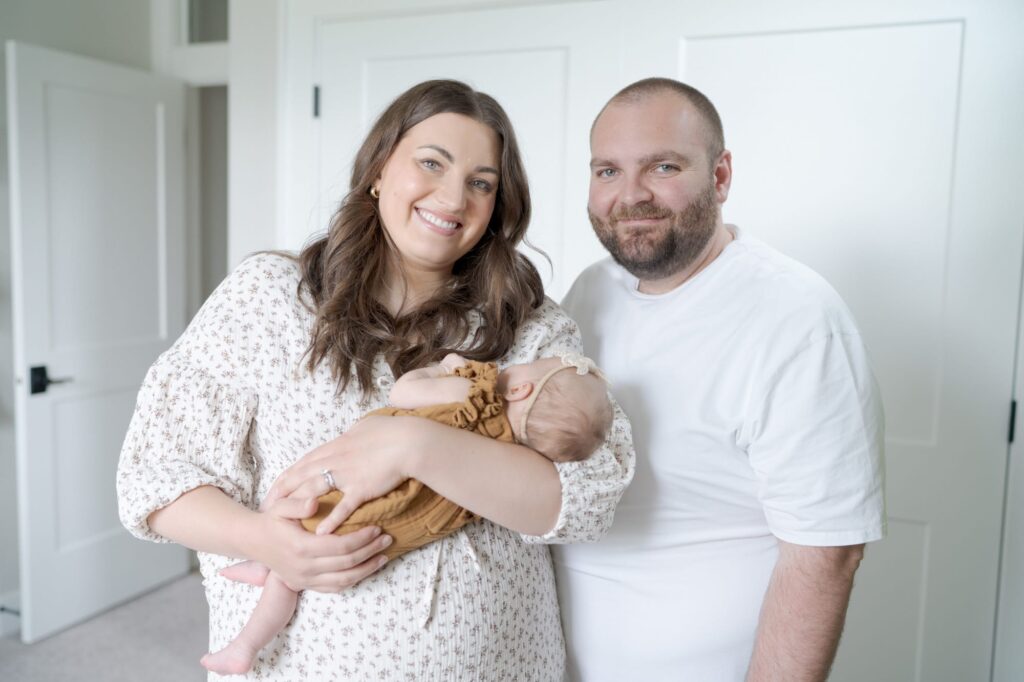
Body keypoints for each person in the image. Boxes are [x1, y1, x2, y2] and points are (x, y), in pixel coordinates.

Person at [117, 79, 634, 681]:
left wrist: (415, 447)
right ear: (379, 170)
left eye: (481, 183)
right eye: (431, 163)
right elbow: (155, 477)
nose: (453, 196)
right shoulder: (269, 298)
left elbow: (586, 500)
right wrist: (268, 542)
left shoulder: (531, 329)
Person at [553, 77, 885, 681]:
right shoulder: (588, 293)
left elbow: (828, 553)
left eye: (663, 166)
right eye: (607, 171)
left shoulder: (797, 318)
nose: (630, 195)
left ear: (721, 176)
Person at [201, 351, 614, 674]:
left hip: (368, 501)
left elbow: (404, 393)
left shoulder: (472, 394)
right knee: (304, 552)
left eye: (530, 364)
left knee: (304, 543)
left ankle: (248, 642)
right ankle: (269, 571)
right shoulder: (507, 453)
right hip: (405, 524)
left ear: (521, 390)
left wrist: (443, 370)